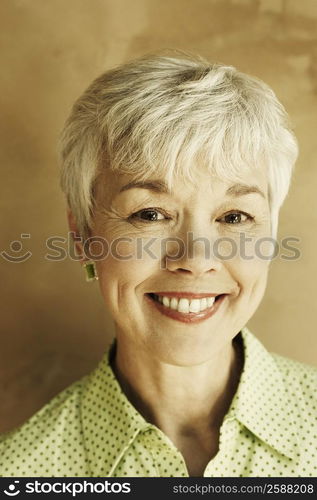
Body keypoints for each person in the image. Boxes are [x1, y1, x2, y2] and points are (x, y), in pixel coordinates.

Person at [1, 52, 316, 478]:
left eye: (234, 217)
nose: (196, 259)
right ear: (84, 237)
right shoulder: (20, 474)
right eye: (150, 214)